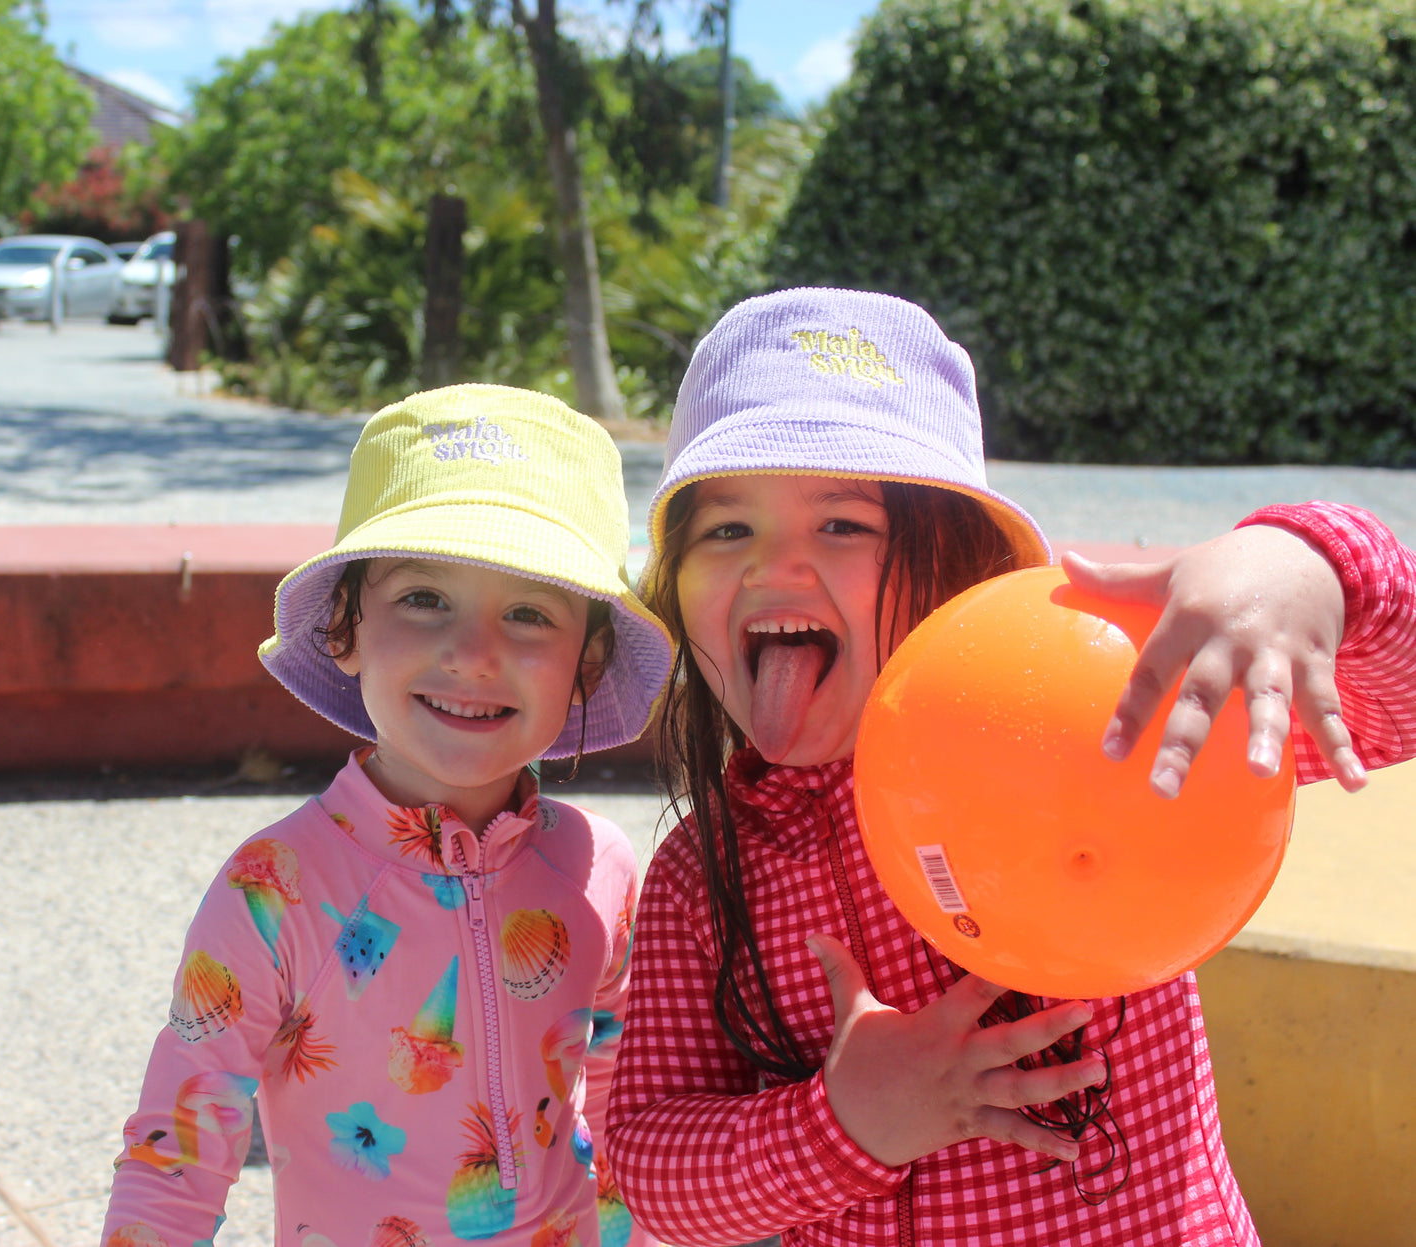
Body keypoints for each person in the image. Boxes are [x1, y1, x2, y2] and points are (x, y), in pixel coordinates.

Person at [604, 287, 1416, 1245]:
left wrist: (1306, 565)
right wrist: (841, 1124)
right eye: (725, 529)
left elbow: (1391, 706)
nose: (771, 566)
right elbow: (648, 1167)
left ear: (961, 562)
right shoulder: (703, 875)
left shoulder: (1100, 715)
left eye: (843, 525)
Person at [101, 385, 673, 1247]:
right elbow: (178, 1144)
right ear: (344, 627)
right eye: (423, 597)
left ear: (586, 662)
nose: (472, 653)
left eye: (528, 613)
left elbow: (623, 1090)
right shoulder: (275, 888)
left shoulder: (601, 866)